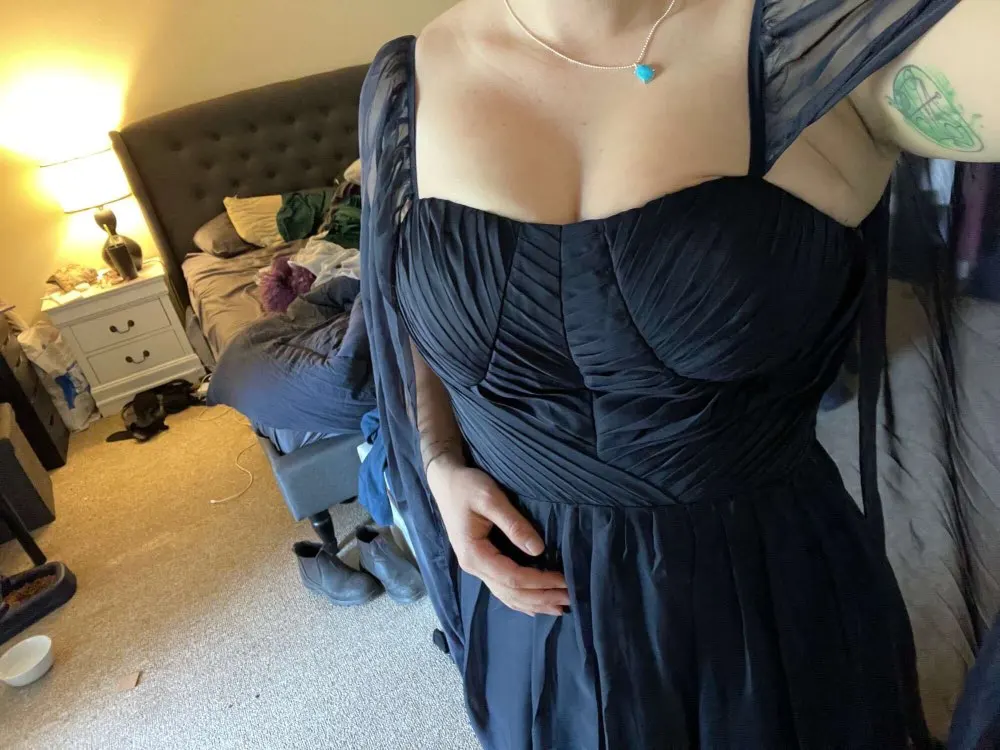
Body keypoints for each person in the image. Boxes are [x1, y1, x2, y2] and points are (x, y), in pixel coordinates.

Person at [358, 1, 998, 747]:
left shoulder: (825, 45)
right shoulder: (407, 83)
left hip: (764, 615)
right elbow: (406, 308)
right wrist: (439, 459)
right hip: (531, 622)